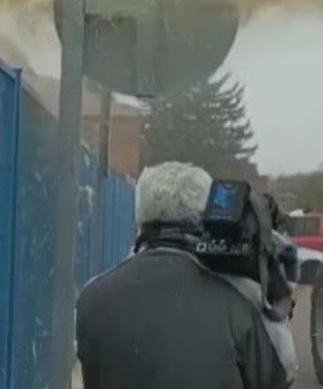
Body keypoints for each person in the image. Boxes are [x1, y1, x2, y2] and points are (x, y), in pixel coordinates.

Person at [75, 162, 296, 389]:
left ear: (139, 215)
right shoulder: (241, 301)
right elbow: (281, 375)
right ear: (207, 215)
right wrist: (270, 286)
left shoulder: (92, 299)